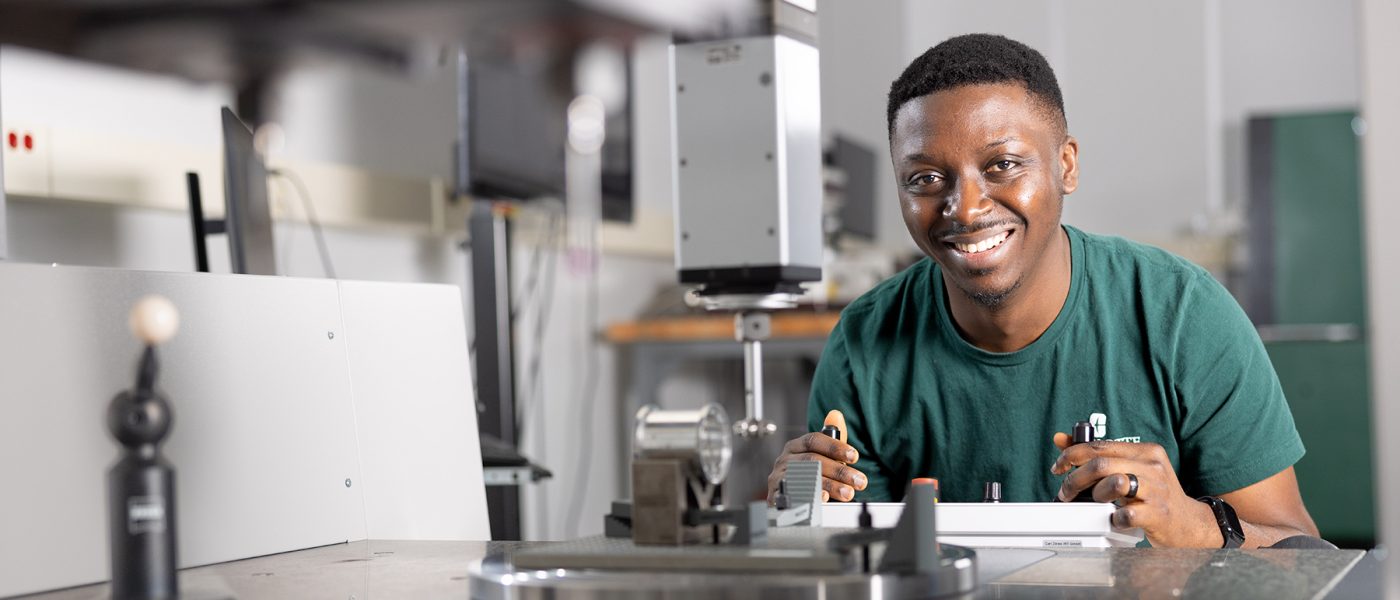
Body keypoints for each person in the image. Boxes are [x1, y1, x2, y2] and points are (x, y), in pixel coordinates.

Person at [766, 33, 1320, 549]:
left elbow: (1302, 552)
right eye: (926, 179)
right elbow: (866, 561)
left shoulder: (1182, 315)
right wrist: (802, 518)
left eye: (1003, 165)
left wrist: (1192, 522)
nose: (965, 207)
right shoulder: (864, 344)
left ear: (1065, 165)